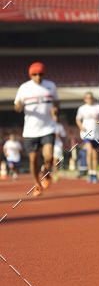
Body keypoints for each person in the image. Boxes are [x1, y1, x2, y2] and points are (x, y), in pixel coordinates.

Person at [13, 62, 59, 197]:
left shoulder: (51, 86)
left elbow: (57, 102)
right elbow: (17, 107)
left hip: (48, 128)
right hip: (30, 131)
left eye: (40, 74)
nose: (38, 77)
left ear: (44, 74)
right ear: (30, 75)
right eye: (35, 74)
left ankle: (45, 171)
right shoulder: (24, 88)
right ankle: (37, 184)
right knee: (33, 160)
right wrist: (19, 106)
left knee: (49, 157)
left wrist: (55, 109)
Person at [75, 92, 99, 184]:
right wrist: (81, 127)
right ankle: (90, 172)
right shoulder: (82, 108)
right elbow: (78, 119)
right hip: (86, 133)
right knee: (89, 151)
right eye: (87, 98)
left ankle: (94, 174)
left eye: (91, 97)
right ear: (85, 99)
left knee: (95, 155)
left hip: (97, 134)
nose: (89, 99)